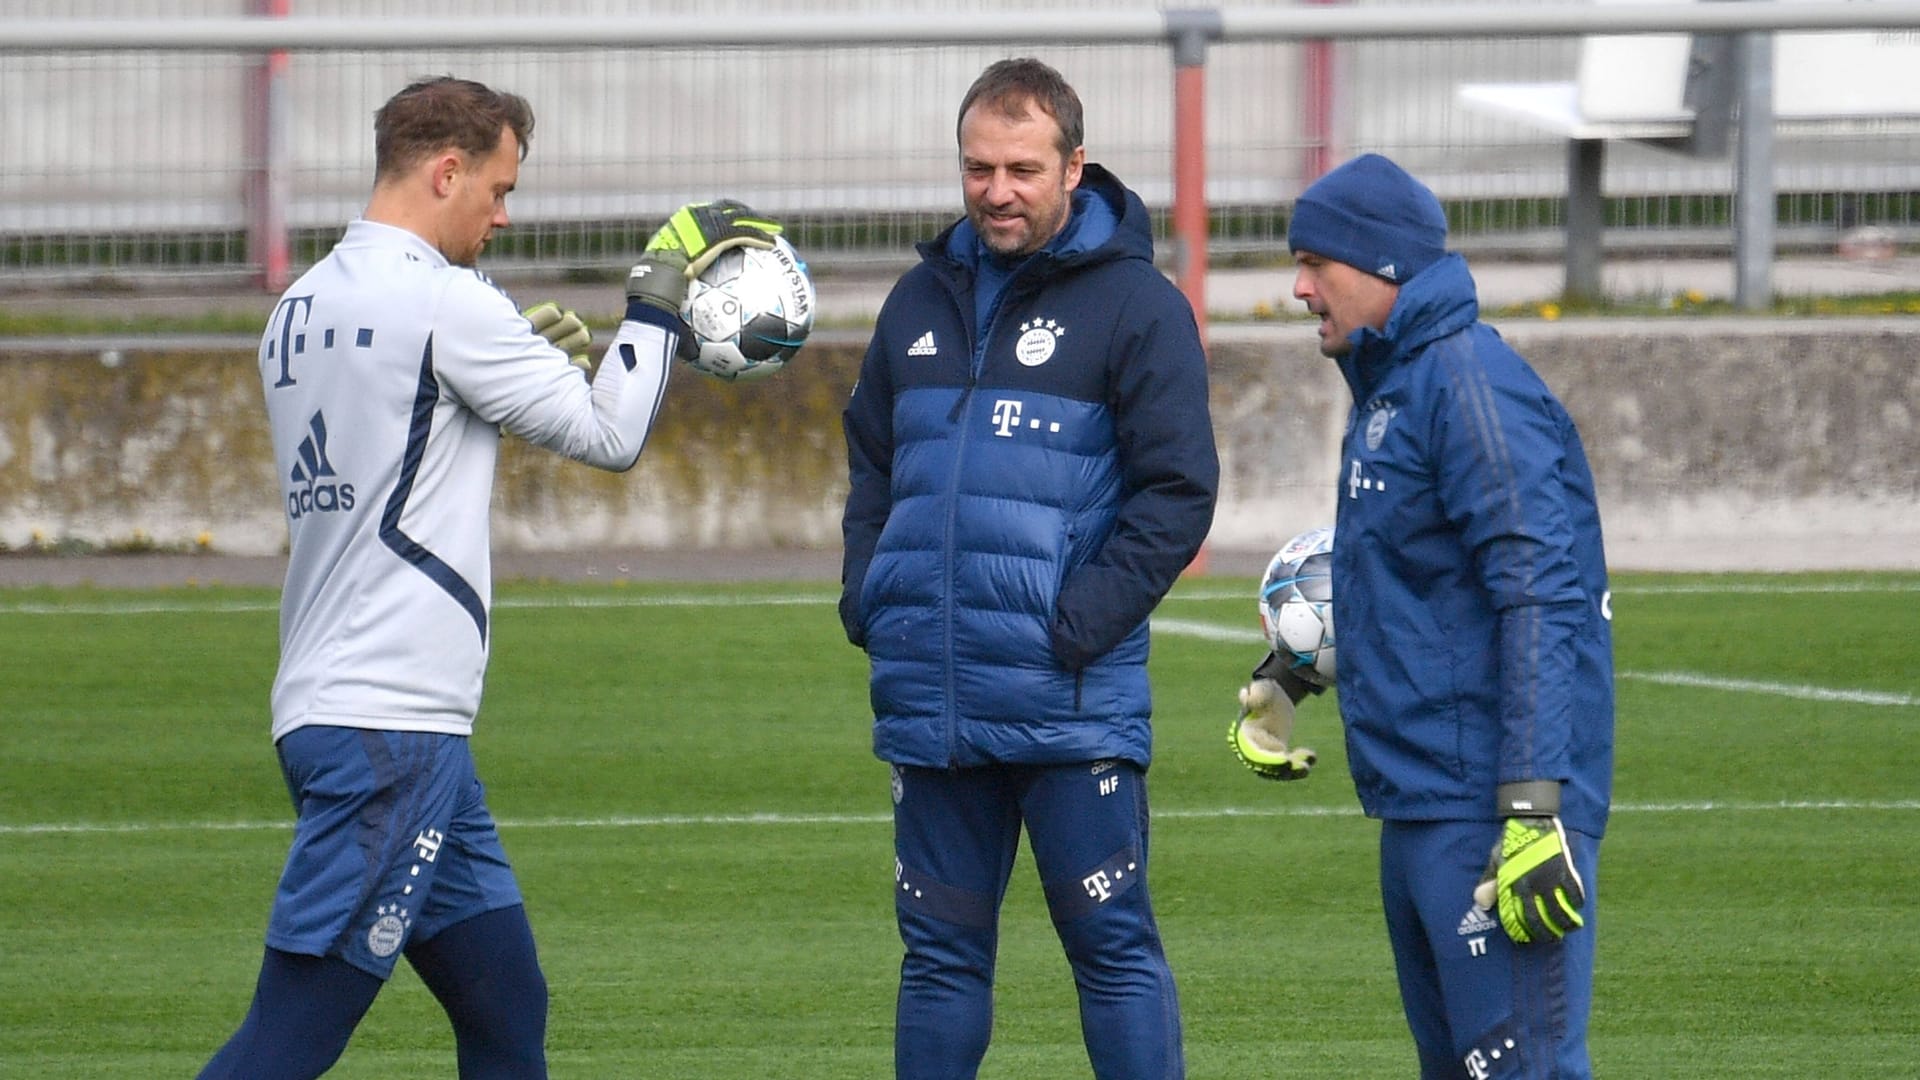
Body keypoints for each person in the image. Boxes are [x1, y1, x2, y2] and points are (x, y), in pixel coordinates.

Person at [200, 76, 780, 1079]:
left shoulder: (297, 307)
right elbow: (611, 435)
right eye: (499, 189)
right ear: (446, 170)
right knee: (290, 1037)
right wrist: (657, 298)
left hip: (347, 709)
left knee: (506, 1001)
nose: (503, 216)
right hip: (393, 727)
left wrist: (509, 373)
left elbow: (399, 448)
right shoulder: (443, 302)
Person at [839, 57, 1218, 1080]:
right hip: (935, 691)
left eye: (1020, 168)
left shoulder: (1138, 305)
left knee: (1110, 951)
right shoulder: (918, 298)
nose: (996, 191)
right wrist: (870, 592)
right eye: (977, 168)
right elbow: (872, 459)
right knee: (938, 962)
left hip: (1068, 697)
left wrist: (1076, 623)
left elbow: (1179, 492)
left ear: (1074, 167)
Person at [1235, 152, 1614, 1079]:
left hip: (1488, 809)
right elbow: (1408, 582)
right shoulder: (1393, 390)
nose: (1298, 287)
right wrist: (1291, 674)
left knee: (1520, 1067)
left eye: (1314, 263)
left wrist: (1532, 809)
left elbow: (1538, 595)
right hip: (1418, 801)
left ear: (1381, 267)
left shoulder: (1468, 387)